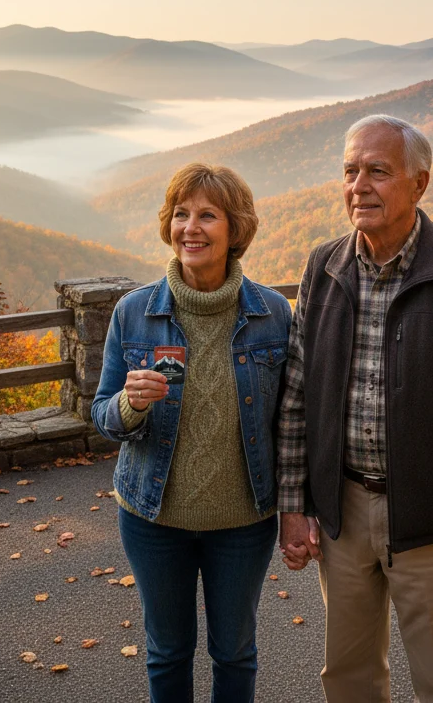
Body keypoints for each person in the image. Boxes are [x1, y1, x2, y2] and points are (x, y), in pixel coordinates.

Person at [276, 115, 433, 703]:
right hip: (342, 514)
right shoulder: (324, 267)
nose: (359, 186)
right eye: (350, 171)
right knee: (348, 681)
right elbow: (296, 400)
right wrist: (293, 506)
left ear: (420, 184)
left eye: (378, 172)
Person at [91, 162, 292, 703]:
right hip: (154, 520)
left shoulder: (274, 315)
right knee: (167, 653)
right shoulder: (134, 313)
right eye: (181, 214)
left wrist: (300, 508)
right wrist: (131, 406)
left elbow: (292, 423)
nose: (191, 228)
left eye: (207, 215)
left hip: (244, 524)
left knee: (234, 653)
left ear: (236, 230)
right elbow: (102, 415)